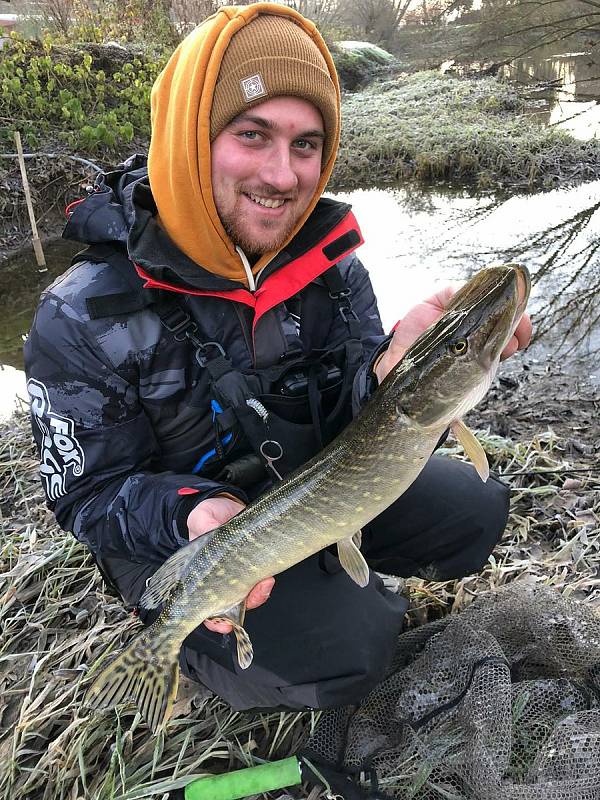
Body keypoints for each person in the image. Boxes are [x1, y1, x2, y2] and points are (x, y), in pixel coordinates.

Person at [24, 2, 531, 712]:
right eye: (252, 134)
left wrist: (384, 373)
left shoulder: (330, 266)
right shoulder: (79, 314)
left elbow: (357, 412)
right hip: (188, 543)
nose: (283, 173)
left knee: (475, 510)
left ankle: (324, 571)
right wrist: (190, 515)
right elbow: (87, 495)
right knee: (348, 652)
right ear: (189, 140)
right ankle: (188, 648)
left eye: (306, 144)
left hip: (308, 487)